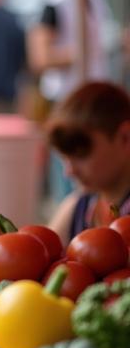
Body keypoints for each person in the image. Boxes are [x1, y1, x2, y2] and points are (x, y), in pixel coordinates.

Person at [46, 81, 130, 246]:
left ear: (125, 138)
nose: (69, 171)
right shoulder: (77, 208)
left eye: (81, 155)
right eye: (65, 158)